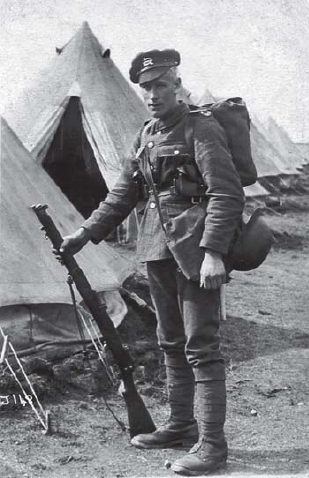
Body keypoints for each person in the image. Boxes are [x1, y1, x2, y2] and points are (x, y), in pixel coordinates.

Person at [59, 49, 245, 476]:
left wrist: (214, 253)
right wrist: (84, 234)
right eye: (147, 87)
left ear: (177, 86)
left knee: (202, 345)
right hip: (157, 251)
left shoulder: (201, 128)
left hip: (197, 255)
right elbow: (122, 195)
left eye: (162, 85)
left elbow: (226, 193)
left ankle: (213, 448)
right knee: (169, 342)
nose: (153, 94)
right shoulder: (145, 135)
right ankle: (181, 426)